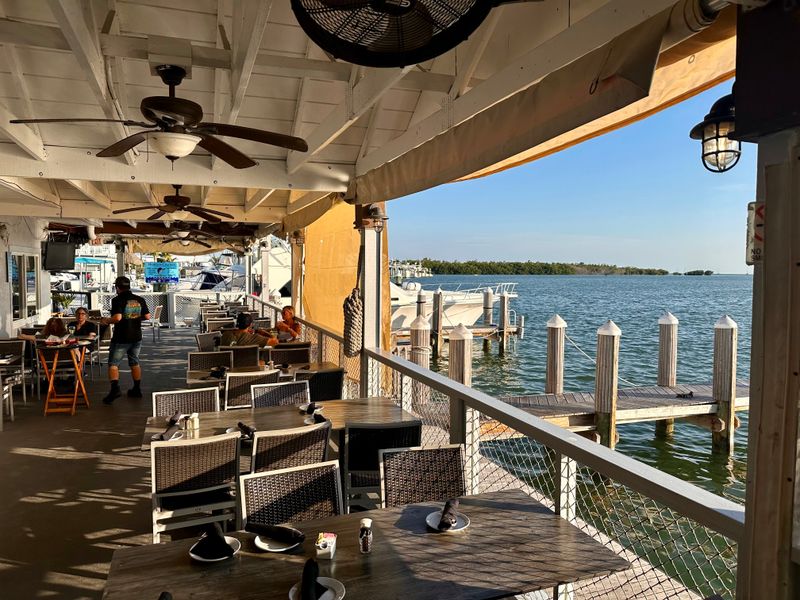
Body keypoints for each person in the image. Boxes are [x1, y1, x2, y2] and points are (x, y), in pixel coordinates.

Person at [100, 276, 150, 404]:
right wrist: (134, 319)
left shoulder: (117, 300)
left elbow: (117, 318)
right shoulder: (140, 299)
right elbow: (147, 316)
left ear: (117, 287)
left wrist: (106, 320)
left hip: (121, 337)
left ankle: (115, 389)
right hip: (136, 336)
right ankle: (137, 389)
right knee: (134, 362)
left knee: (113, 364)